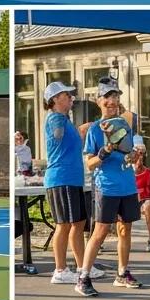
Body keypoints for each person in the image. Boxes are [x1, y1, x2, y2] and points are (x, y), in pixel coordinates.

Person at [77, 80, 144, 297]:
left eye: (115, 97)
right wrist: (105, 151)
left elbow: (128, 156)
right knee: (100, 232)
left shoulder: (125, 125)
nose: (112, 101)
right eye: (108, 97)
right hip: (106, 187)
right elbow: (89, 163)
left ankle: (122, 273)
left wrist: (134, 156)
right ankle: (83, 277)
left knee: (126, 230)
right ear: (99, 101)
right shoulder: (95, 129)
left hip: (128, 185)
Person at [42, 81, 97, 287]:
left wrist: (84, 129)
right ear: (55, 100)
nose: (71, 98)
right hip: (61, 178)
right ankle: (60, 270)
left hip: (72, 179)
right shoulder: (56, 118)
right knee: (65, 225)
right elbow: (57, 136)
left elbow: (69, 138)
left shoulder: (65, 120)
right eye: (66, 95)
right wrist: (59, 130)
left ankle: (83, 267)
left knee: (78, 223)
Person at [134, 152, 150, 252]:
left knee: (149, 204)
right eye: (136, 158)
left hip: (146, 199)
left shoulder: (149, 172)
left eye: (141, 158)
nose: (139, 160)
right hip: (130, 199)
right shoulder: (126, 172)